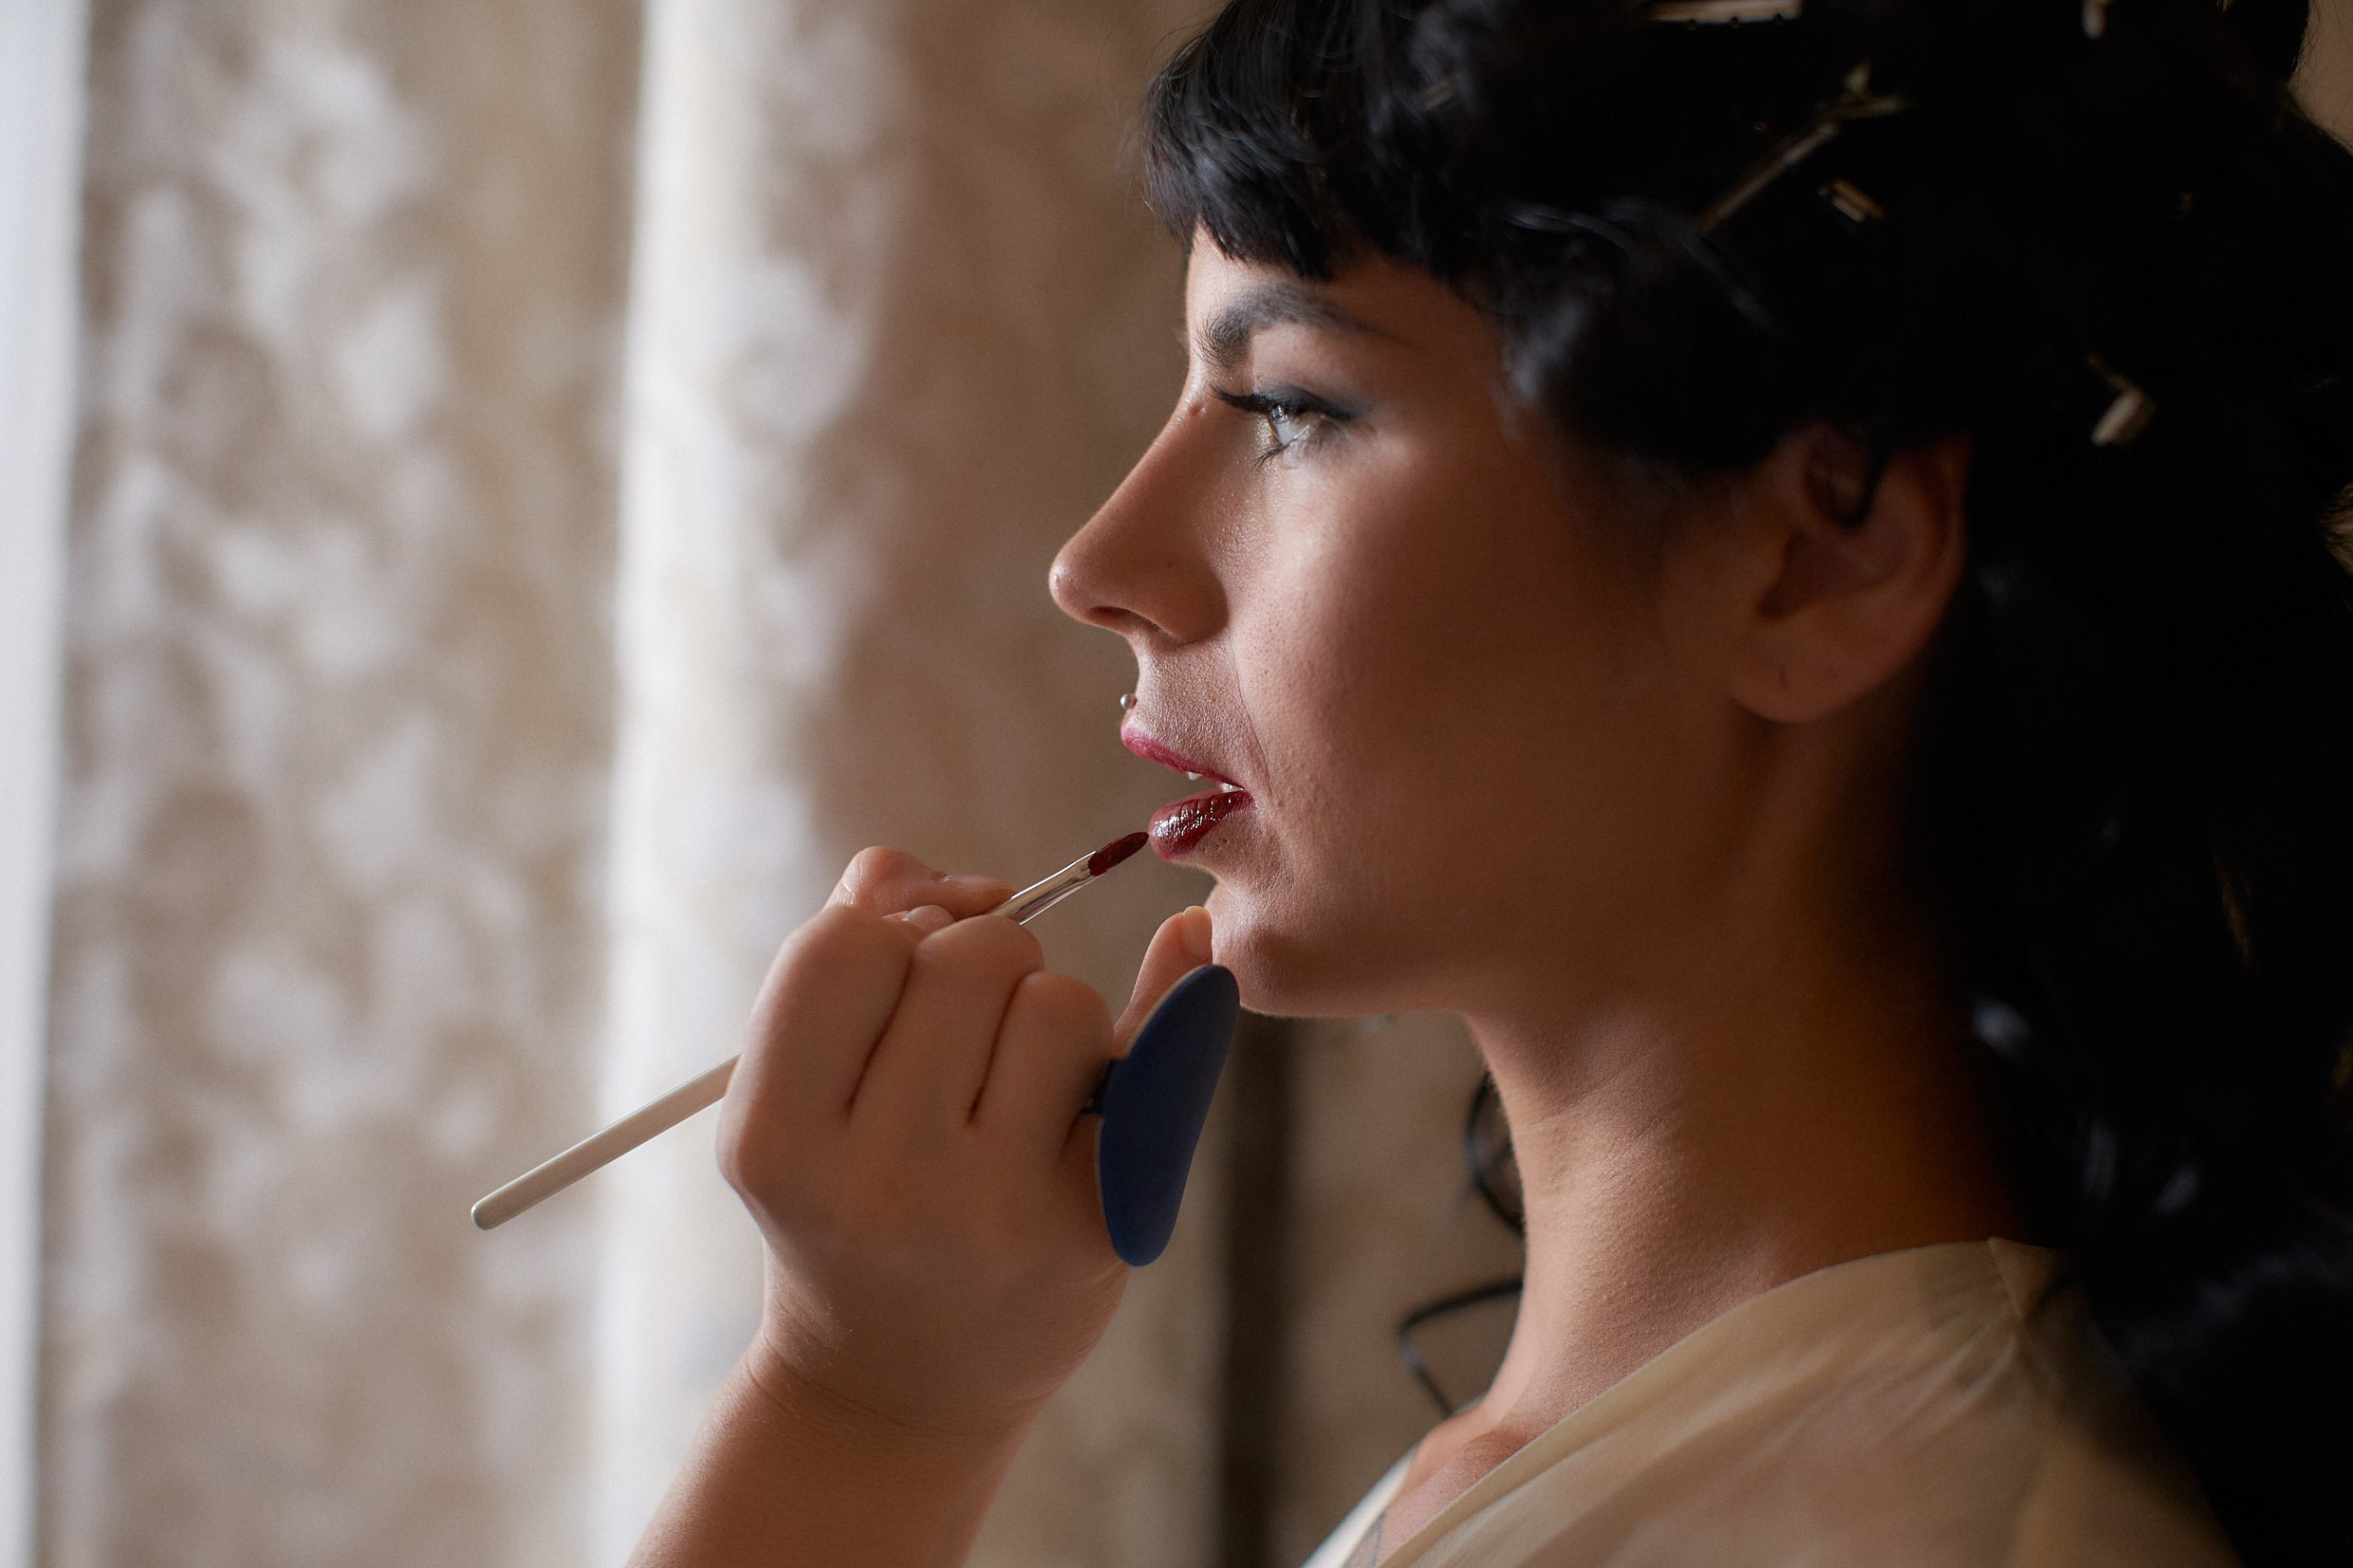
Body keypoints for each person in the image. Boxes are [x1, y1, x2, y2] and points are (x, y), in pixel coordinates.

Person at [626, 0, 2353, 1563]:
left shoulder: (1927, 1533)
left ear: (1819, 553)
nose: (1100, 559)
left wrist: (867, 1424)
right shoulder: (1633, 1461)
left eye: (1292, 405)